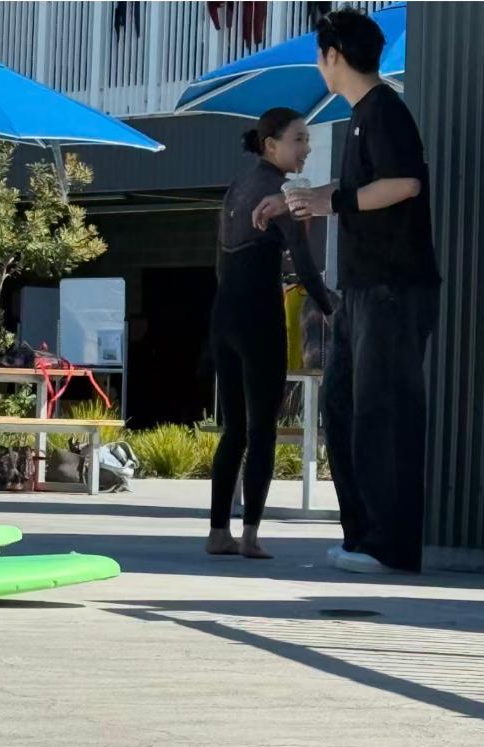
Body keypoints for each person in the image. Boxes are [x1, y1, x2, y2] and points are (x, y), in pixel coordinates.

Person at [252, 9, 441, 574]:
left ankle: (391, 546)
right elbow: (361, 186)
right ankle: (362, 536)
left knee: (384, 414)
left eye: (320, 55)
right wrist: (301, 199)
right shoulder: (361, 116)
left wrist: (332, 201)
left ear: (334, 56)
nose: (318, 64)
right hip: (361, 288)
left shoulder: (385, 110)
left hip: (393, 287)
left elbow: (404, 184)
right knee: (344, 409)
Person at [207, 108, 334, 558]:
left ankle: (217, 532)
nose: (307, 149)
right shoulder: (283, 193)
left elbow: (222, 260)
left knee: (234, 430)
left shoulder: (236, 187)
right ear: (271, 145)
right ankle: (250, 536)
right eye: (299, 139)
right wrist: (330, 309)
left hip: (223, 316)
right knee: (261, 429)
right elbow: (306, 266)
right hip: (259, 318)